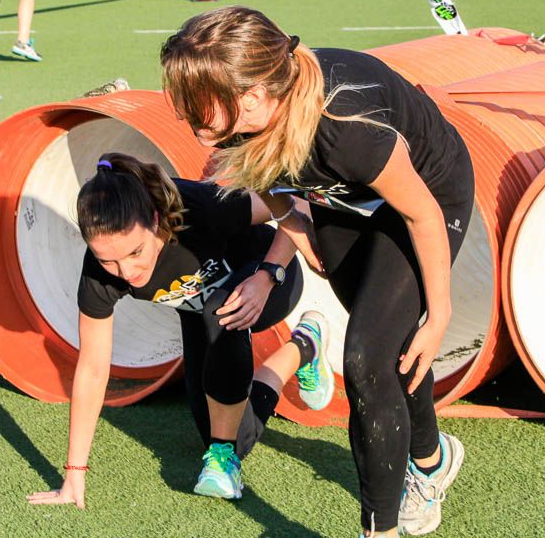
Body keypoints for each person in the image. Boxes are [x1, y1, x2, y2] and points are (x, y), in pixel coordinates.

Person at [160, 7, 475, 538]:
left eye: (197, 103)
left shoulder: (344, 125)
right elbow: (256, 171)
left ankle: (381, 530)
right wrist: (292, 224)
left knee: (365, 358)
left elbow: (421, 213)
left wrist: (438, 313)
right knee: (388, 347)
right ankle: (432, 457)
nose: (189, 117)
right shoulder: (237, 120)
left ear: (253, 96)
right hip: (343, 202)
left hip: (427, 199)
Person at [27, 153, 335, 507]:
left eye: (135, 252)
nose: (125, 271)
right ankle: (305, 345)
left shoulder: (199, 207)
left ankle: (223, 461)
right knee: (237, 435)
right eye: (106, 260)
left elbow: (297, 206)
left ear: (155, 220)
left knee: (218, 309)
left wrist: (267, 277)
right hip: (204, 314)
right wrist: (73, 474)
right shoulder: (100, 276)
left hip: (270, 280)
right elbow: (94, 369)